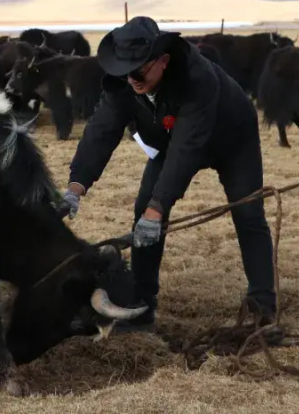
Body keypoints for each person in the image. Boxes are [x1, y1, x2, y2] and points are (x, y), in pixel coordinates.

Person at [58, 16, 278, 332]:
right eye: (124, 70)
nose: (131, 78)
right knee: (143, 211)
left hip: (232, 139)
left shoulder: (197, 77)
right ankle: (142, 304)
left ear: (163, 60)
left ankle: (263, 305)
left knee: (248, 213)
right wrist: (75, 187)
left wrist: (158, 208)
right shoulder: (124, 82)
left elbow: (186, 149)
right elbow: (101, 131)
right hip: (170, 140)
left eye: (139, 70)